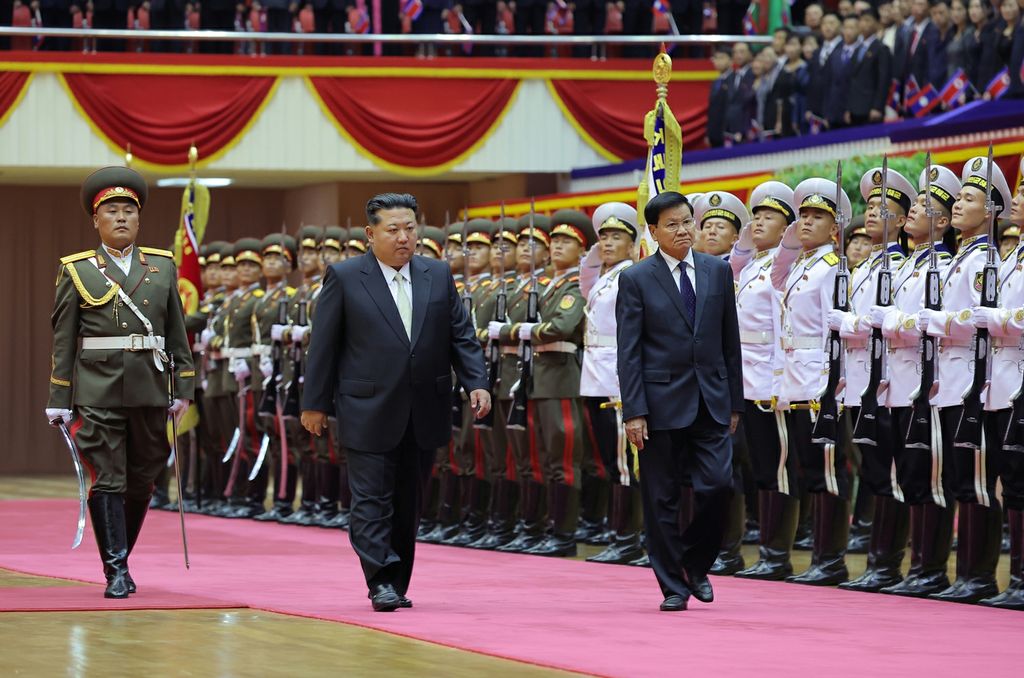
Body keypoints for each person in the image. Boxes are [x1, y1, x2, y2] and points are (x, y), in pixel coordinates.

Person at [301, 193, 490, 612]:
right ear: (371, 234)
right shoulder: (346, 276)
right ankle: (379, 580)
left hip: (425, 407)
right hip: (366, 407)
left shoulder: (436, 274)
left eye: (409, 229)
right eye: (393, 230)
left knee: (408, 501)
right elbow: (324, 347)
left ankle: (398, 579)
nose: (404, 238)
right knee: (371, 500)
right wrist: (314, 404)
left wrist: (477, 381)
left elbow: (461, 333)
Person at [46, 166, 195, 598]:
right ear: (97, 220)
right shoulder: (76, 270)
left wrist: (183, 386)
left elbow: (176, 333)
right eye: (112, 211)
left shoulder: (163, 267)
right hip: (99, 390)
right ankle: (116, 569)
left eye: (129, 210)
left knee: (143, 476)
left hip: (151, 387)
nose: (122, 217)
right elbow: (63, 340)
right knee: (107, 477)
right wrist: (60, 396)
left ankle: (122, 556)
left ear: (139, 217)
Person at [616, 191, 743, 612]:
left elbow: (730, 341)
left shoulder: (716, 272)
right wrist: (634, 411)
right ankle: (673, 585)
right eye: (672, 224)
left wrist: (735, 403)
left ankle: (694, 563)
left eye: (688, 221)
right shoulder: (635, 279)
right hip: (659, 404)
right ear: (653, 232)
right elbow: (628, 351)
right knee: (661, 498)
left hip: (712, 400)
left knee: (718, 486)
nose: (684, 230)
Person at [917, 156, 1011, 603]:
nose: (957, 205)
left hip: (974, 379)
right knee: (959, 477)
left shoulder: (985, 259)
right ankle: (964, 575)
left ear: (991, 211)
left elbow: (980, 321)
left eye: (969, 199)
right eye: (958, 198)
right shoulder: (964, 256)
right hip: (951, 379)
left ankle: (979, 575)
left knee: (976, 480)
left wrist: (937, 321)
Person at [875, 164, 959, 598]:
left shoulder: (943, 265)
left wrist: (893, 321)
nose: (913, 212)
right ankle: (907, 564)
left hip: (928, 382)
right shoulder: (910, 264)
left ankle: (931, 567)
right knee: (906, 474)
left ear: (942, 223)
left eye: (926, 206)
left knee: (930, 476)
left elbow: (933, 323)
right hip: (899, 380)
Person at [830, 166, 912, 593]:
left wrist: (850, 323)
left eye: (885, 208)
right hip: (860, 379)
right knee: (874, 470)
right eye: (870, 206)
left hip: (887, 381)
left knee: (890, 472)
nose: (873, 213)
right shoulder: (864, 267)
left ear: (902, 220)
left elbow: (891, 322)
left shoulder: (899, 266)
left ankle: (887, 563)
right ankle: (879, 563)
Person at [771, 177, 853, 586]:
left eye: (816, 216)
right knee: (806, 468)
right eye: (801, 214)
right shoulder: (802, 266)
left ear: (834, 228)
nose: (804, 222)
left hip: (820, 381)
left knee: (827, 472)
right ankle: (818, 556)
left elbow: (834, 333)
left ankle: (830, 559)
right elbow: (774, 275)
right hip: (795, 379)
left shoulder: (832, 269)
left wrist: (830, 385)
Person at [729, 181, 801, 581]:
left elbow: (780, 327)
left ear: (786, 227)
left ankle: (777, 554)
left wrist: (779, 380)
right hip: (745, 379)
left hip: (770, 381)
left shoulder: (781, 267)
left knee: (778, 468)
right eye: (755, 215)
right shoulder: (753, 264)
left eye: (768, 216)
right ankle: (765, 550)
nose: (757, 222)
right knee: (758, 467)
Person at [580, 203, 643, 565]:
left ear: (633, 245)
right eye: (602, 236)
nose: (606, 242)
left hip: (616, 378)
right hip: (596, 377)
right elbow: (584, 276)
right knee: (609, 459)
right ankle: (620, 531)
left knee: (623, 462)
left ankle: (627, 537)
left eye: (616, 237)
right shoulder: (605, 277)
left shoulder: (629, 277)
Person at [975, 156, 1024, 609]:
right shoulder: (1013, 256)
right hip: (1002, 379)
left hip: (1018, 375)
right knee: (1010, 481)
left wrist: (1000, 318)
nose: (1017, 199)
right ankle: (1016, 579)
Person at [844, 9, 893, 126]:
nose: (864, 24)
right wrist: (848, 108)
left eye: (868, 20)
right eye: (861, 21)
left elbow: (883, 80)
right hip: (854, 109)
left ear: (877, 24)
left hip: (870, 108)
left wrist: (877, 107)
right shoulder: (856, 49)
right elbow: (851, 80)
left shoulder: (881, 49)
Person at [825, 15, 864, 129]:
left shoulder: (863, 51)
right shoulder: (835, 53)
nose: (848, 31)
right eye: (846, 28)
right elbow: (828, 84)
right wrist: (827, 113)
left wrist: (851, 109)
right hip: (834, 111)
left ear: (859, 30)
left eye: (852, 28)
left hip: (853, 112)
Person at [707, 47, 734, 148]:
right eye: (716, 58)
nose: (718, 61)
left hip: (727, 133)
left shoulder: (735, 79)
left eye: (722, 58)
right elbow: (712, 109)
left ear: (731, 60)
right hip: (715, 133)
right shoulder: (716, 81)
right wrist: (709, 133)